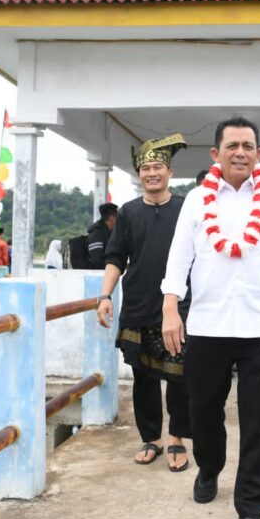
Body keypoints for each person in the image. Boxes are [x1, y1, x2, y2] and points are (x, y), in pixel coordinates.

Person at [161, 116, 260, 519]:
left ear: (259, 154)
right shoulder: (196, 200)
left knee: (258, 420)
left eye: (248, 146)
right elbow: (179, 256)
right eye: (232, 145)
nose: (240, 152)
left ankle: (252, 508)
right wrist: (170, 308)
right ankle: (210, 466)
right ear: (216, 154)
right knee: (203, 410)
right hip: (208, 323)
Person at [98, 134, 192, 471]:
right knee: (143, 377)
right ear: (139, 174)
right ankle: (151, 437)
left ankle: (177, 437)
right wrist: (105, 296)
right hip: (138, 304)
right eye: (146, 168)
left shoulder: (186, 209)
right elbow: (116, 257)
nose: (151, 173)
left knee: (180, 377)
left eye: (157, 167)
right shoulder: (128, 212)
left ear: (170, 172)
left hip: (179, 306)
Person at [87, 203, 118, 269]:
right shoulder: (96, 235)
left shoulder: (110, 232)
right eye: (117, 217)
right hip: (99, 273)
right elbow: (97, 261)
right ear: (112, 218)